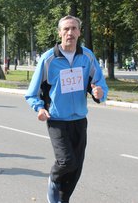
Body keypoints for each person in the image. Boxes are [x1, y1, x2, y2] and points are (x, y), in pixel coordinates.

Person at [25, 15, 108, 203]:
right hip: (57, 119)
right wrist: (39, 108)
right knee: (66, 161)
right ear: (59, 32)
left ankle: (63, 199)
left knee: (76, 167)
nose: (70, 33)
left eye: (73, 29)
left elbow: (99, 83)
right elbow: (32, 92)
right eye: (66, 29)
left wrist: (99, 92)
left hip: (79, 119)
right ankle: (53, 180)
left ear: (79, 32)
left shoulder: (87, 56)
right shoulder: (49, 59)